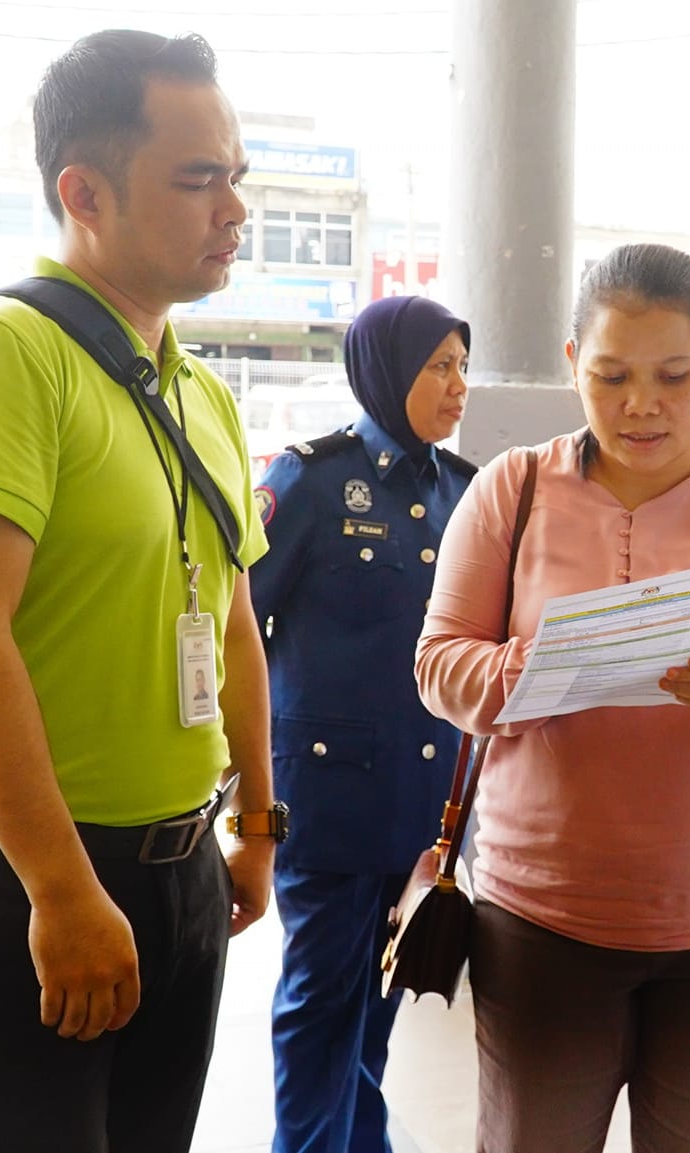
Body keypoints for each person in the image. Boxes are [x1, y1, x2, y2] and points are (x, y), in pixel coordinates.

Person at [0, 31, 287, 1153]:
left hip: (180, 862)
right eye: (198, 179)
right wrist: (59, 890)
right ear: (85, 192)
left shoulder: (198, 388)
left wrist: (255, 820)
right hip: (23, 871)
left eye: (237, 176)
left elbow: (236, 623)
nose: (233, 208)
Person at [415, 243, 690, 1153]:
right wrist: (549, 664)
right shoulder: (513, 489)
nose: (641, 404)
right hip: (541, 919)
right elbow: (438, 667)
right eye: (610, 375)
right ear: (574, 365)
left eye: (674, 375)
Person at [250, 294, 478, 1153]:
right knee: (319, 1004)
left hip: (425, 805)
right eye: (439, 366)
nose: (459, 385)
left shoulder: (467, 489)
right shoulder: (308, 480)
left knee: (382, 1003)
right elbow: (242, 628)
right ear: (386, 372)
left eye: (463, 365)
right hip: (327, 803)